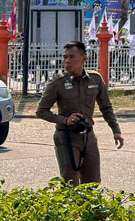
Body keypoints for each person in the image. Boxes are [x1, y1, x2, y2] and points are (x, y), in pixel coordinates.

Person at [36, 41, 124, 185]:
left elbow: (106, 107)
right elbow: (41, 111)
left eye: (72, 57)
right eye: (65, 57)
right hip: (66, 137)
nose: (67, 61)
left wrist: (116, 130)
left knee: (93, 183)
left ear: (84, 58)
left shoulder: (95, 78)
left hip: (88, 137)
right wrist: (64, 120)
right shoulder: (58, 82)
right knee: (70, 183)